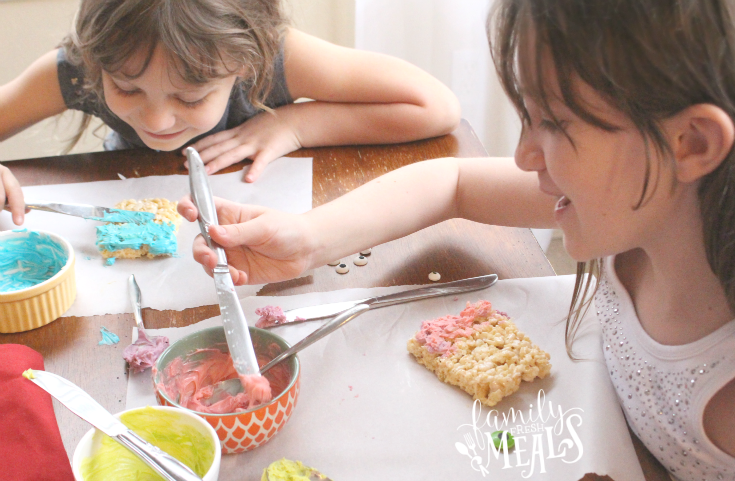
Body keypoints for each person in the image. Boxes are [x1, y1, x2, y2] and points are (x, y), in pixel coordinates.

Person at [180, 1, 735, 479]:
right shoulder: (639, 205)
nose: (522, 156)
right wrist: (306, 240)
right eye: (527, 117)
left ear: (691, 144)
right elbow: (454, 181)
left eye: (556, 126)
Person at [0, 0, 461, 226]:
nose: (157, 121)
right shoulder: (82, 66)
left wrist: (295, 124)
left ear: (245, 63)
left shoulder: (274, 59)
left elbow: (435, 106)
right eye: (125, 88)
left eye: (191, 97)